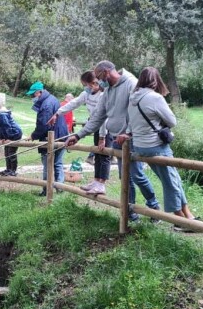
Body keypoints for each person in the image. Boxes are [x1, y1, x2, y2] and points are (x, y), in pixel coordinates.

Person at [66, 61, 160, 222]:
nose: (98, 81)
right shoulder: (108, 90)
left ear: (107, 72)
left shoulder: (130, 83)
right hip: (117, 140)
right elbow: (98, 116)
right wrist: (78, 135)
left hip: (132, 139)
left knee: (136, 175)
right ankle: (129, 212)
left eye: (99, 77)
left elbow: (138, 111)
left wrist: (128, 132)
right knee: (125, 178)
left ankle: (154, 208)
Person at [124, 67, 197, 223]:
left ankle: (188, 214)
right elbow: (172, 121)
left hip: (140, 146)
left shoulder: (132, 98)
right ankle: (179, 220)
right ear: (156, 80)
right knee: (170, 181)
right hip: (156, 145)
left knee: (173, 178)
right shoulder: (155, 98)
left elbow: (132, 123)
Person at [28, 81, 69, 196]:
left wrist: (33, 135)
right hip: (62, 135)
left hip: (52, 137)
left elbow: (44, 125)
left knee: (48, 164)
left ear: (39, 92)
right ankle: (60, 188)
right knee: (58, 163)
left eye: (33, 94)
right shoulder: (52, 99)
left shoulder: (46, 105)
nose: (32, 97)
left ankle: (46, 189)